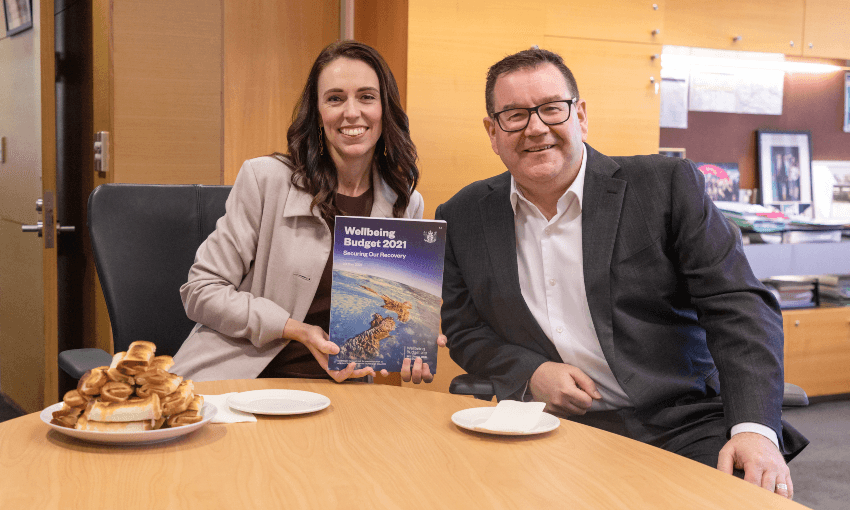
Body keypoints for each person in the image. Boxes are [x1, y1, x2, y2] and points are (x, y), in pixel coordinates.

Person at [436, 48, 808, 499]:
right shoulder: (462, 217)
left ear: (581, 116)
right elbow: (464, 328)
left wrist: (754, 430)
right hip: (553, 426)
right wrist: (530, 372)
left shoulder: (665, 186)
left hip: (683, 422)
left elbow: (739, 306)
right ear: (492, 133)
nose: (535, 127)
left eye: (552, 108)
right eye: (514, 115)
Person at [172, 41, 443, 384]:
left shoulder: (406, 202)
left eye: (366, 97)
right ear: (317, 113)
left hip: (344, 389)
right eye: (335, 98)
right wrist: (293, 329)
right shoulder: (265, 179)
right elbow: (201, 291)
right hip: (245, 379)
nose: (351, 112)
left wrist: (412, 343)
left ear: (384, 109)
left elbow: (387, 313)